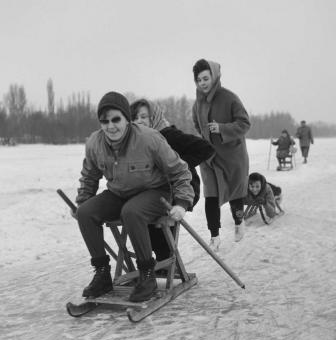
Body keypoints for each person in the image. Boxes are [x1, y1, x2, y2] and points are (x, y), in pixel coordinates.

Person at [74, 91, 194, 302]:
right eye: (104, 121)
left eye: (116, 119)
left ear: (126, 119)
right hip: (119, 193)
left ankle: (147, 276)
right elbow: (90, 176)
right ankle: (102, 275)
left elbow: (180, 171)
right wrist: (83, 201)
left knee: (131, 211)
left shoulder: (149, 138)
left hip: (155, 192)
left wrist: (182, 203)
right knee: (85, 213)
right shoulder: (94, 143)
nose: (110, 126)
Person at [130, 98, 215, 260]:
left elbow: (205, 148)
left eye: (143, 117)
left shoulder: (167, 134)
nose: (139, 121)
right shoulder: (136, 141)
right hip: (158, 190)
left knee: (161, 222)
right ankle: (161, 261)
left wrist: (175, 165)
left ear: (153, 117)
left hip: (182, 188)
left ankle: (167, 260)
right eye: (135, 118)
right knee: (147, 220)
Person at [191, 58, 250, 249]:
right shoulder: (197, 103)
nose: (203, 83)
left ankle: (239, 222)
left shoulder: (230, 97)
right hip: (209, 157)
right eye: (199, 80)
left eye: (205, 78)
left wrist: (222, 128)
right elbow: (196, 123)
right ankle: (214, 236)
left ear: (214, 76)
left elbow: (244, 123)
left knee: (235, 193)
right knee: (211, 195)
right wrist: (204, 137)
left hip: (232, 155)